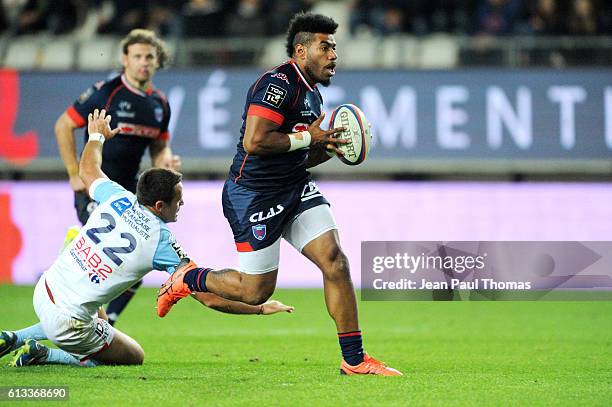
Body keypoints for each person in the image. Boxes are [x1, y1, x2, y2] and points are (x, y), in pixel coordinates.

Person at [158, 12, 402, 376]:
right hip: (252, 194)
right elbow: (255, 141)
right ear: (301, 51)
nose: (334, 55)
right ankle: (187, 279)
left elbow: (302, 151)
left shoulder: (313, 95)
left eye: (335, 47)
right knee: (255, 292)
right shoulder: (278, 83)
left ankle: (354, 359)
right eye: (326, 47)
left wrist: (329, 146)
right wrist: (310, 138)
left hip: (294, 187)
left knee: (336, 262)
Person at [0, 109, 293, 367]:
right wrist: (258, 307)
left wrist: (95, 137)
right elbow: (207, 296)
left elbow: (88, 169)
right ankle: (43, 354)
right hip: (69, 323)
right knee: (133, 355)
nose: (182, 205)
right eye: (178, 200)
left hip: (44, 291)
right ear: (159, 206)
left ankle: (13, 338)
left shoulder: (116, 196)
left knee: (92, 315)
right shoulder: (161, 241)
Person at [54, 28, 180, 326]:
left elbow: (159, 145)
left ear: (157, 61)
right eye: (137, 56)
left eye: (149, 57)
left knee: (138, 260)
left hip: (130, 194)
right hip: (96, 186)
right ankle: (83, 318)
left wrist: (166, 162)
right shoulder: (106, 92)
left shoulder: (160, 104)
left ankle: (106, 322)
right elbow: (63, 125)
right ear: (125, 59)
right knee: (108, 259)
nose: (144, 62)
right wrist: (74, 173)